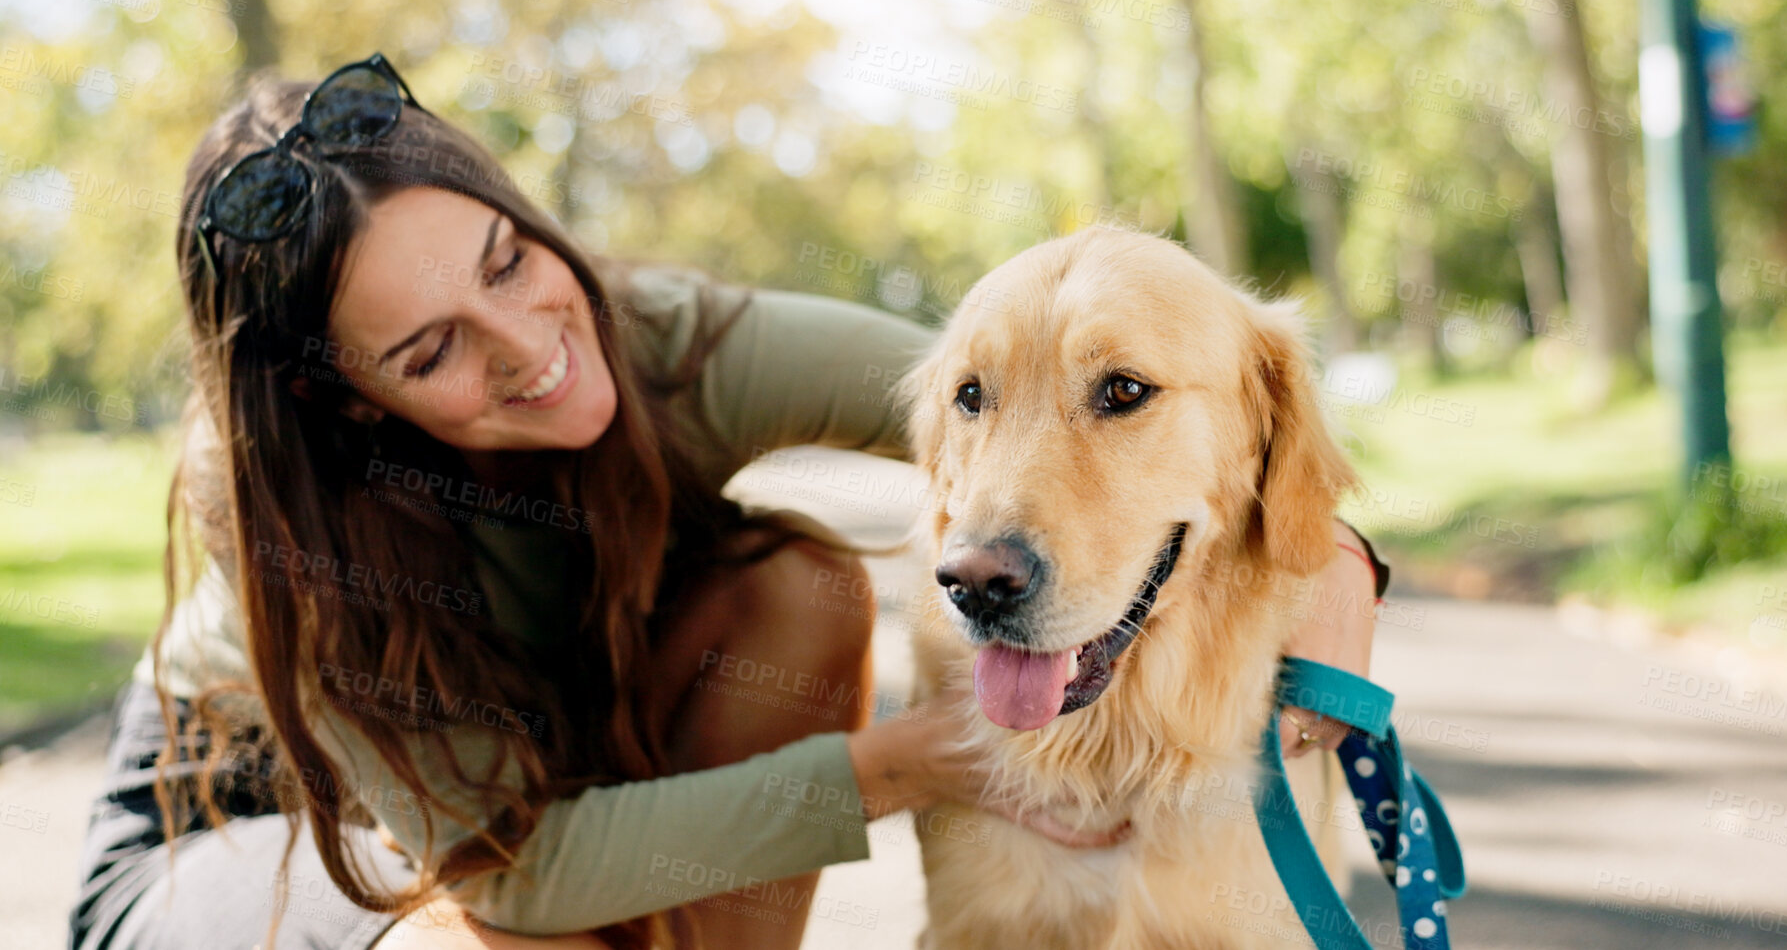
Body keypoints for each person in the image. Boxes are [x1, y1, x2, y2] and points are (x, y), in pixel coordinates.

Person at [64, 53, 1385, 950]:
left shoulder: (661, 340)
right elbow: (510, 875)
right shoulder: (289, 519)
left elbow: (1003, 385)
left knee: (791, 590)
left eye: (509, 262)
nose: (527, 344)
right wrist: (911, 762)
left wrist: (1333, 559)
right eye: (430, 351)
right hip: (258, 830)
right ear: (348, 403)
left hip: (563, 754)